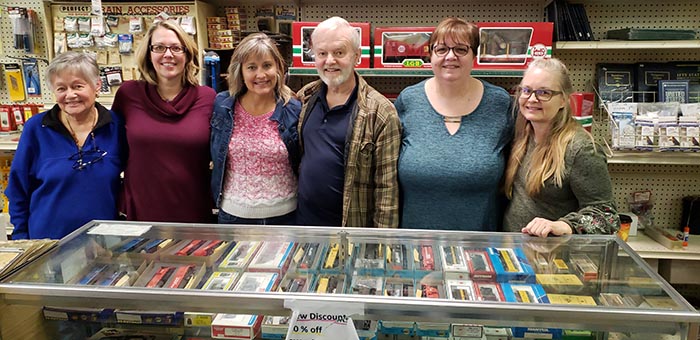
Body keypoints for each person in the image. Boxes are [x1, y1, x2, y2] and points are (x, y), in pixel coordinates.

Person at [396, 17, 513, 231]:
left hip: (481, 249)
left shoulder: (500, 104)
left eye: (461, 49)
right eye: (441, 49)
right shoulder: (408, 101)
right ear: (430, 55)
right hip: (415, 249)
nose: (450, 56)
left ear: (474, 56)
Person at [6, 51, 124, 239]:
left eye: (78, 86)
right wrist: (21, 236)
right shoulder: (36, 128)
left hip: (104, 244)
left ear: (97, 85)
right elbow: (18, 188)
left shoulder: (116, 126)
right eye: (61, 88)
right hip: (47, 243)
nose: (70, 95)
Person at [296, 16, 401, 228]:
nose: (330, 61)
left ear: (357, 56)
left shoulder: (380, 111)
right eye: (322, 53)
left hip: (351, 231)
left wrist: (381, 245)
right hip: (304, 226)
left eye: (339, 52)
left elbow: (387, 191)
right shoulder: (306, 97)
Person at [503, 58, 620, 237]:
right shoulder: (522, 133)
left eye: (544, 92)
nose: (532, 99)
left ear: (563, 100)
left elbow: (607, 218)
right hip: (516, 253)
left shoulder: (580, 149)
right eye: (526, 90)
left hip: (550, 256)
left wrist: (564, 225)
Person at [112, 20, 216, 223]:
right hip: (142, 210)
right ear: (149, 54)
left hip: (193, 209)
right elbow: (114, 149)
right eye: (159, 47)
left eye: (176, 48)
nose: (168, 55)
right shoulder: (128, 94)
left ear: (187, 54)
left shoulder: (208, 98)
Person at [210, 33, 301, 225]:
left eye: (267, 65)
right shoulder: (223, 106)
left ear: (278, 68)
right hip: (233, 217)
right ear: (240, 72)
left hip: (285, 217)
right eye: (251, 67)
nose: (261, 75)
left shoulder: (293, 109)